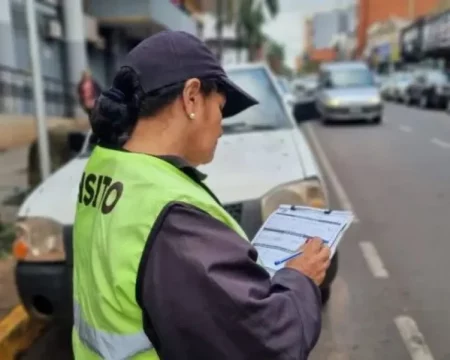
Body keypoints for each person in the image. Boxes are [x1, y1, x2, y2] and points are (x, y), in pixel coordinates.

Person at [72, 30, 331, 360]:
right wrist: (300, 277)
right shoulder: (173, 216)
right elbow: (268, 342)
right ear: (192, 97)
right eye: (221, 107)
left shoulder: (106, 166)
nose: (222, 124)